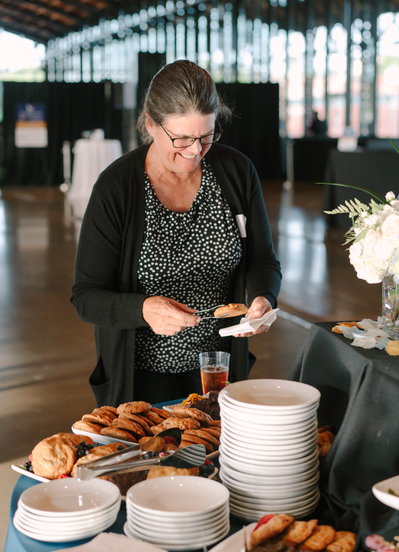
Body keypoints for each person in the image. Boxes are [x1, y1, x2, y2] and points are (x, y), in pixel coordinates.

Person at [70, 60, 282, 407]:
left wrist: (263, 298)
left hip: (217, 374)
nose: (195, 151)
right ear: (151, 124)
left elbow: (262, 260)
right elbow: (86, 297)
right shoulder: (117, 187)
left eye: (206, 136)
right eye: (181, 138)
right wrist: (142, 310)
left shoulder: (237, 173)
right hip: (140, 382)